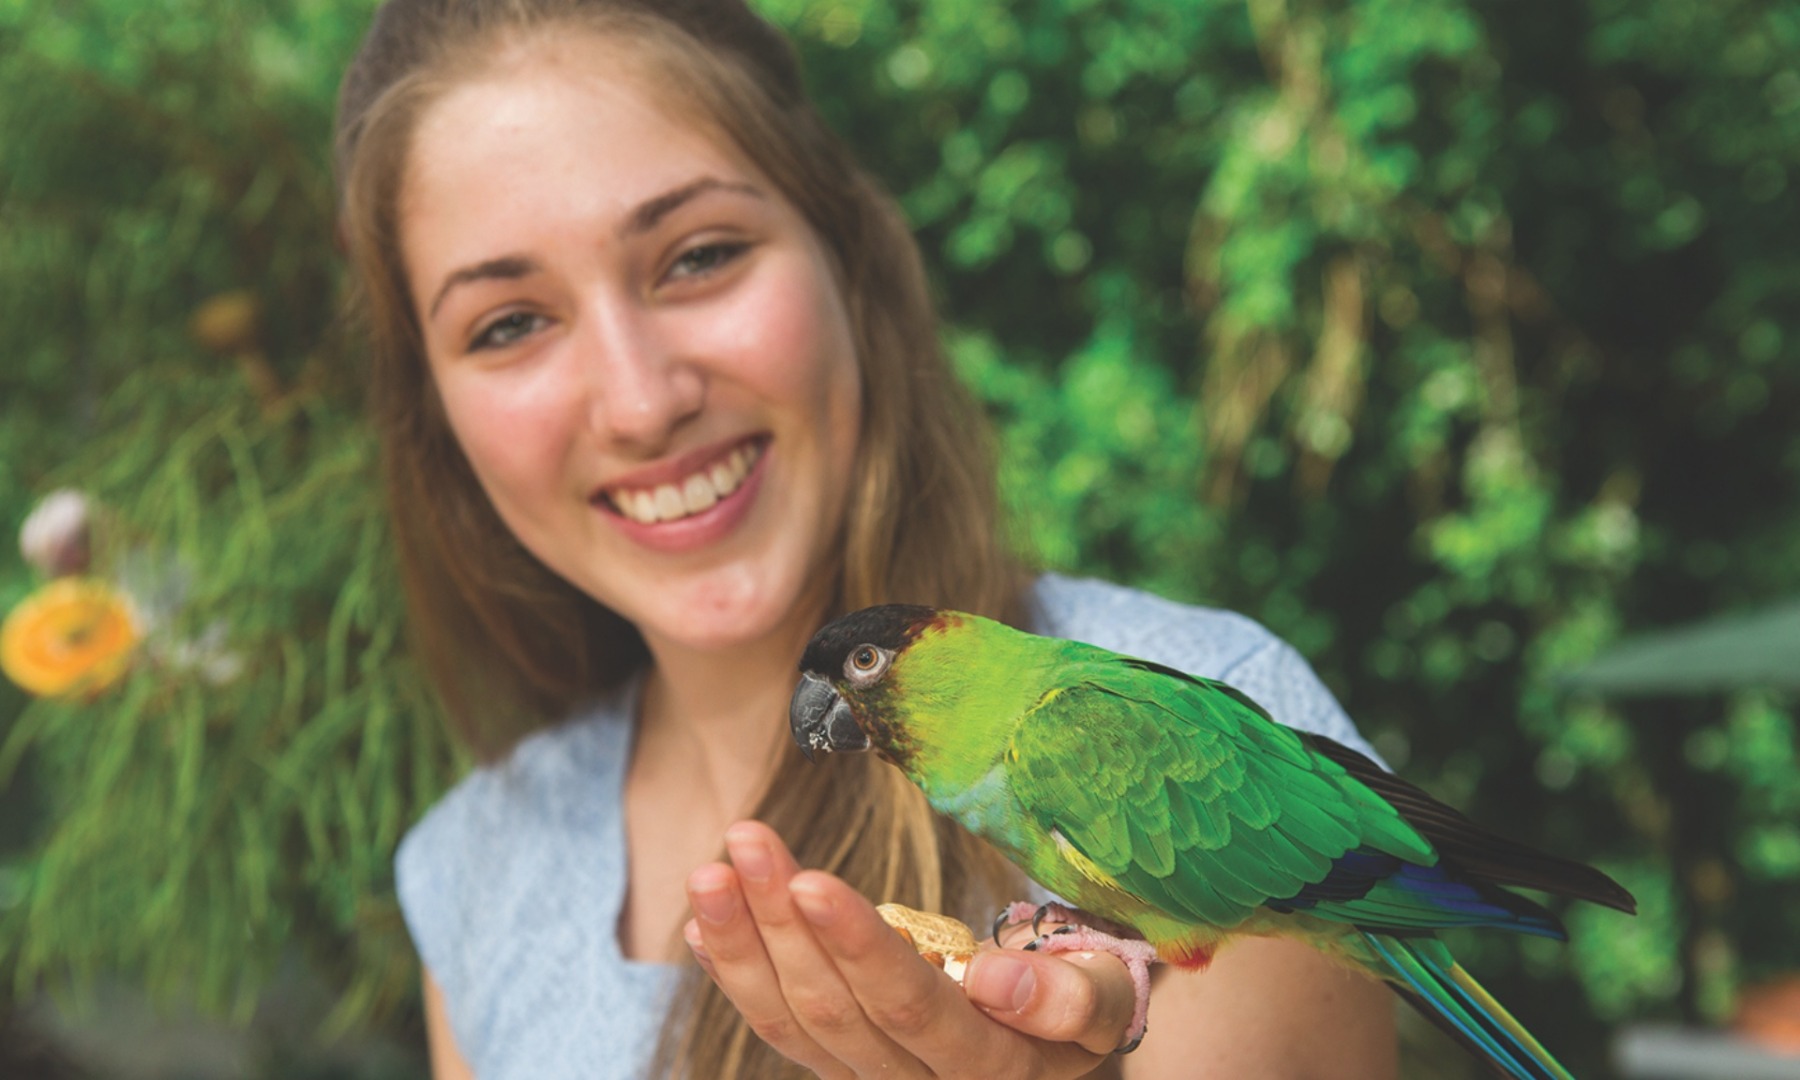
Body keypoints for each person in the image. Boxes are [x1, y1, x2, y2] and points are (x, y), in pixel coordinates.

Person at [333, 0, 1399, 1076]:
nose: (641, 402)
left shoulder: (1211, 719)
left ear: (847, 258)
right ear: (433, 414)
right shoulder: (472, 867)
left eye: (699, 256)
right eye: (510, 323)